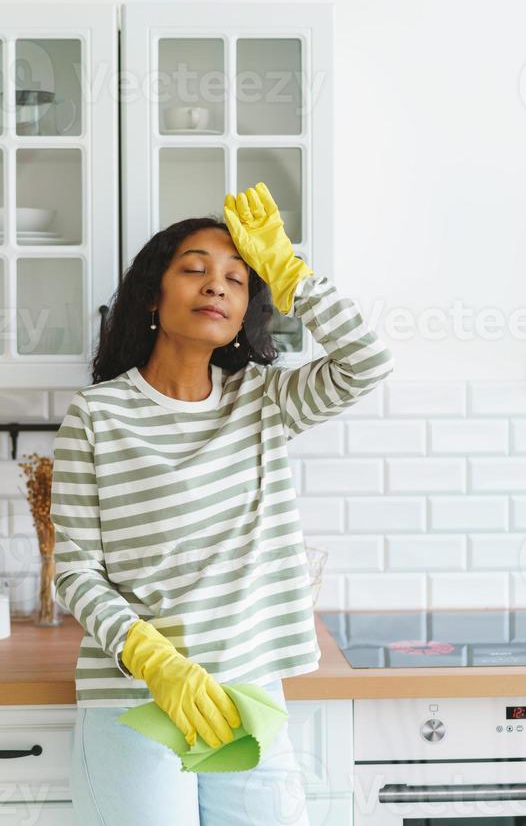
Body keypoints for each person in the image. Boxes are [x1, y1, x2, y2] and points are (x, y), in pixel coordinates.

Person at [51, 182, 394, 826]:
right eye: (195, 270)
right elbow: (74, 571)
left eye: (237, 280)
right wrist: (152, 661)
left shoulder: (261, 402)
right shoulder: (97, 415)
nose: (216, 286)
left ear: (244, 316)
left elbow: (365, 364)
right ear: (153, 296)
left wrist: (293, 276)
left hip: (247, 690)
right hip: (137, 699)